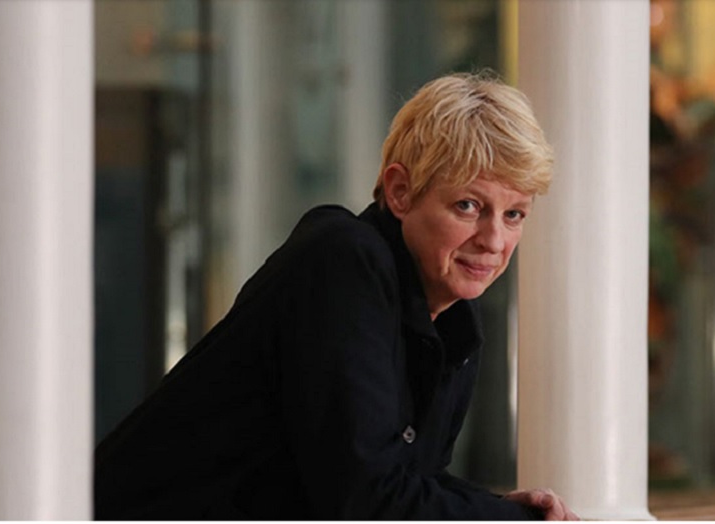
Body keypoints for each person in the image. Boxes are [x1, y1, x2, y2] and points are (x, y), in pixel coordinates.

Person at [95, 73, 578, 520]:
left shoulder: (454, 316)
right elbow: (366, 499)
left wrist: (495, 507)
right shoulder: (342, 261)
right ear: (400, 191)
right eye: (468, 206)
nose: (494, 241)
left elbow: (403, 480)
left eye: (514, 215)